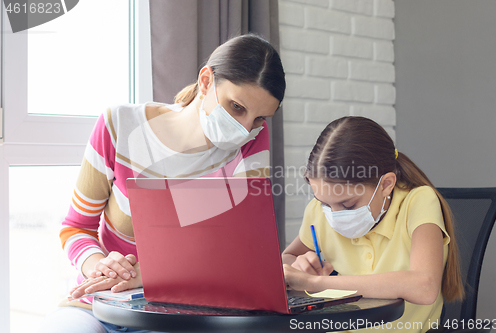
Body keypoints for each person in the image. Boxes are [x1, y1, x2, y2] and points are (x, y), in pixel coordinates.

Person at [38, 34, 285, 333]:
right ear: (206, 81)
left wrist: (147, 275)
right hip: (98, 304)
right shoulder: (119, 125)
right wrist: (99, 266)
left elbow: (243, 252)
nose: (245, 128)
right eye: (236, 107)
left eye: (260, 118)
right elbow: (76, 227)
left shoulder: (253, 142)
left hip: (184, 314)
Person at [282, 116, 464, 333]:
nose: (334, 216)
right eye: (325, 203)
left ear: (386, 184)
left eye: (348, 204)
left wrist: (316, 284)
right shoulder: (318, 212)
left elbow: (424, 286)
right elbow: (287, 258)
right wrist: (300, 266)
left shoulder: (418, 201)